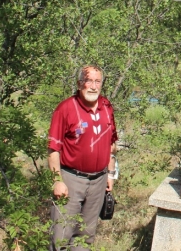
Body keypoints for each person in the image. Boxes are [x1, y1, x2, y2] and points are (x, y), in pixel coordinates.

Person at [48, 65, 118, 251]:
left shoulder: (106, 106)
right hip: (71, 179)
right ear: (80, 84)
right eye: (89, 81)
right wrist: (57, 180)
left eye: (97, 82)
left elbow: (112, 144)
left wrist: (111, 174)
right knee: (61, 236)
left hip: (99, 180)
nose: (93, 86)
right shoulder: (65, 108)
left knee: (86, 237)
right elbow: (54, 148)